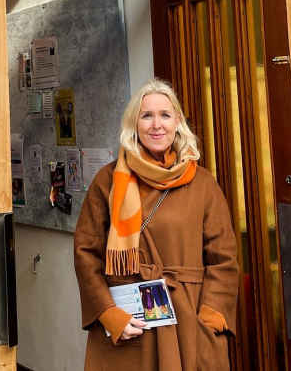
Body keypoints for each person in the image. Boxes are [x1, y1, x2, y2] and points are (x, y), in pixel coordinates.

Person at [74, 78, 239, 371]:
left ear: (177, 121)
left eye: (164, 115)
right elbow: (86, 255)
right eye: (146, 115)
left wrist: (210, 317)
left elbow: (223, 259)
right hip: (132, 322)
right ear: (134, 124)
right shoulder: (108, 181)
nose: (156, 125)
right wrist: (110, 314)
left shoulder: (203, 184)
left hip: (189, 323)